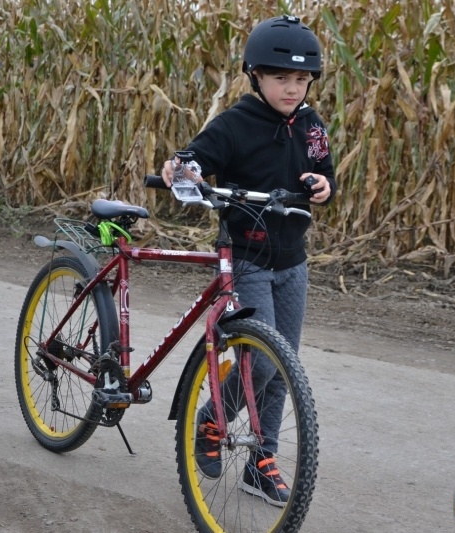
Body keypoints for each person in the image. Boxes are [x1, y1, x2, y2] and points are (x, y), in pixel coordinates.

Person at [160, 14, 336, 507]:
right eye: (282, 78)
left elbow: (324, 169)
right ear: (256, 75)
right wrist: (182, 168)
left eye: (302, 80)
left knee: (284, 366)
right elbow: (195, 158)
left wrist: (324, 186)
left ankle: (262, 460)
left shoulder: (311, 124)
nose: (293, 88)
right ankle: (213, 421)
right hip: (249, 258)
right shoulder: (236, 123)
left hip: (292, 261)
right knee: (259, 364)